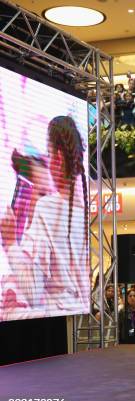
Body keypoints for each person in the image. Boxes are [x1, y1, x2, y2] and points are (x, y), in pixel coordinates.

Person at [0, 116, 88, 320]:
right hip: (77, 317)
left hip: (52, 319)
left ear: (57, 157)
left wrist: (11, 243)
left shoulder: (48, 207)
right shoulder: (82, 210)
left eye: (49, 155)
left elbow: (33, 292)